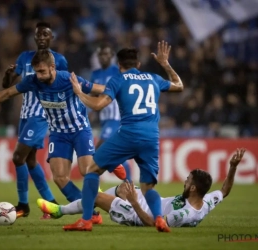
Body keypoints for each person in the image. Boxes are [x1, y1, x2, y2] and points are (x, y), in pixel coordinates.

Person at [0, 50, 126, 225]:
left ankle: (108, 161)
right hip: (58, 134)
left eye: (42, 71)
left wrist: (122, 92)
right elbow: (8, 93)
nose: (39, 75)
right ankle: (92, 211)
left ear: (52, 67)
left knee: (86, 172)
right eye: (36, 71)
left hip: (80, 130)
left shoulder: (68, 79)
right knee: (59, 177)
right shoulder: (33, 81)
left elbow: (99, 89)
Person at [63, 41, 184, 232]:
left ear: (119, 65)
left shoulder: (117, 79)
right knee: (148, 187)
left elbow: (97, 105)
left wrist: (79, 92)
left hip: (129, 133)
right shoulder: (154, 78)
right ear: (139, 64)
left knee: (91, 170)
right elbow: (179, 85)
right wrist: (165, 64)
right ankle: (159, 219)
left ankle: (86, 220)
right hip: (152, 137)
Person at [37, 148, 246, 227]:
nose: (185, 181)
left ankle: (59, 211)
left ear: (193, 188)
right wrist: (233, 167)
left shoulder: (183, 215)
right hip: (148, 203)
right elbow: (225, 191)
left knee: (97, 198)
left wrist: (135, 203)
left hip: (139, 214)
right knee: (123, 187)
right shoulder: (207, 201)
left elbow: (153, 224)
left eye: (188, 180)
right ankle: (96, 208)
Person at [1, 22, 68, 219]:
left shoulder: (60, 60)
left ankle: (23, 204)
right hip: (25, 113)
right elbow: (8, 85)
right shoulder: (24, 57)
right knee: (30, 161)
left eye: (45, 34)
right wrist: (7, 76)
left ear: (51, 38)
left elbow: (64, 85)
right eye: (38, 34)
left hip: (41, 114)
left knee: (17, 157)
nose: (41, 38)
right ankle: (52, 204)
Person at [90, 44, 131, 181]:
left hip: (117, 118)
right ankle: (129, 183)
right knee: (114, 153)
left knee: (99, 149)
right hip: (104, 120)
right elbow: (93, 95)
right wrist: (91, 111)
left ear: (112, 56)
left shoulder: (118, 72)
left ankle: (93, 186)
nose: (104, 57)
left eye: (107, 54)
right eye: (101, 54)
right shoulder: (95, 74)